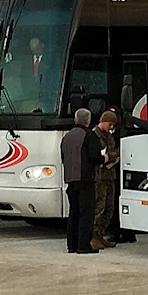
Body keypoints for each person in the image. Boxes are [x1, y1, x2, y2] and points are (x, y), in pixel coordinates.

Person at [60, 107, 101, 254]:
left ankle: (72, 245)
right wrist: (105, 158)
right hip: (85, 179)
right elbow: (95, 156)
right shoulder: (89, 135)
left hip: (70, 180)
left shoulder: (67, 137)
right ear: (88, 121)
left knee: (74, 213)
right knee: (86, 213)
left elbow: (63, 158)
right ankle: (83, 245)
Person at [92, 108, 125, 248]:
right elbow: (98, 156)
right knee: (99, 207)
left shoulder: (109, 136)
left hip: (110, 175)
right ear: (104, 122)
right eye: (110, 124)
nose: (111, 128)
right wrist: (107, 157)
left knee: (109, 207)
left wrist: (110, 158)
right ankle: (93, 236)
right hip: (99, 177)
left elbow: (114, 153)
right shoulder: (94, 136)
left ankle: (101, 234)